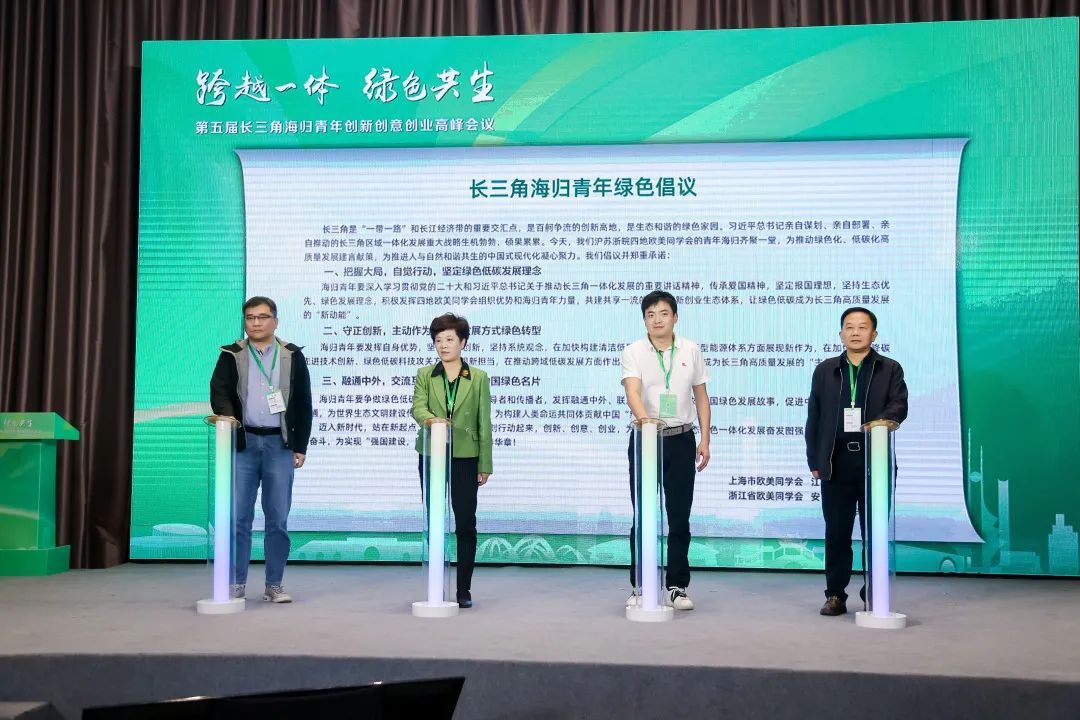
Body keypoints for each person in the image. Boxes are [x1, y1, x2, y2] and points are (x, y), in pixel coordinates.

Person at [805, 307, 908, 616]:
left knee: (874, 532)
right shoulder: (825, 370)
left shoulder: (889, 368)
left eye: (862, 327)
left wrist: (878, 423)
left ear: (874, 334)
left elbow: (899, 406)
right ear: (841, 334)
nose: (855, 332)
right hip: (835, 461)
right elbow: (814, 417)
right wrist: (814, 459)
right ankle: (835, 594)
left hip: (874, 461)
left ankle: (874, 591)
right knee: (837, 532)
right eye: (849, 327)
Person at [210, 296, 312, 603]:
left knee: (277, 517)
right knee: (238, 516)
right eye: (250, 318)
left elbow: (303, 403)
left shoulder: (292, 355)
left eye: (262, 317)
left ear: (275, 322)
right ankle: (235, 583)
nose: (256, 323)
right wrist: (228, 417)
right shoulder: (232, 354)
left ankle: (274, 584)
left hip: (280, 445)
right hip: (244, 443)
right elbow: (220, 392)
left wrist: (300, 446)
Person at [621, 290, 711, 611]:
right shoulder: (633, 351)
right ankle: (640, 585)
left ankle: (677, 586)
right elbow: (632, 392)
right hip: (646, 439)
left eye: (663, 313)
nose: (657, 320)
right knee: (643, 515)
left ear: (675, 317)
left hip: (682, 439)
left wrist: (705, 439)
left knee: (679, 516)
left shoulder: (691, 349)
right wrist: (646, 423)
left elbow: (701, 396)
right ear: (644, 320)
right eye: (650, 315)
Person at [411, 313, 493, 609]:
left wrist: (485, 464)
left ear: (463, 343)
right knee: (434, 520)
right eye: (438, 340)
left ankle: (463, 589)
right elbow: (417, 406)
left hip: (466, 457)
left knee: (466, 523)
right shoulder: (425, 374)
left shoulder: (478, 377)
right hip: (432, 453)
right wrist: (431, 420)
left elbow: (484, 422)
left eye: (449, 339)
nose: (443, 345)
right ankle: (436, 582)